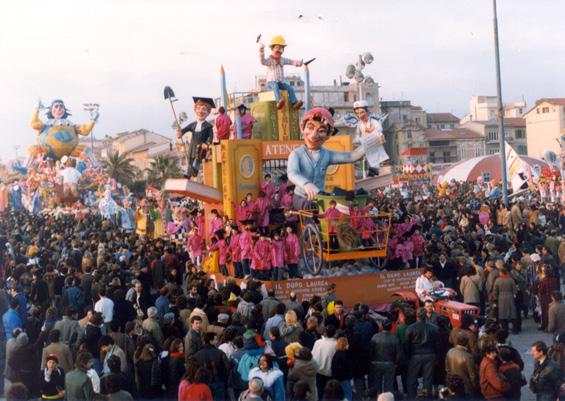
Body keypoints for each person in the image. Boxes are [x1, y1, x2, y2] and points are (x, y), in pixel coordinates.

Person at [287, 107, 367, 208]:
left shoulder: (327, 155)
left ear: (328, 135)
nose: (313, 136)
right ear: (302, 127)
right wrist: (306, 184)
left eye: (321, 131)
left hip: (321, 198)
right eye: (310, 128)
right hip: (301, 197)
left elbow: (352, 156)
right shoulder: (296, 154)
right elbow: (292, 173)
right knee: (308, 209)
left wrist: (372, 140)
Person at [259, 35, 303, 110]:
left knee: (290, 88)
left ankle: (294, 103)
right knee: (275, 86)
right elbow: (262, 61)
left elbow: (291, 61)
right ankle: (278, 101)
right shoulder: (270, 59)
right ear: (272, 48)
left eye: (282, 48)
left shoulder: (282, 59)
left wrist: (298, 63)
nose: (280, 50)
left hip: (280, 82)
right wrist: (261, 51)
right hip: (271, 82)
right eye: (278, 48)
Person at [404, 307, 440, 399]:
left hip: (415, 356)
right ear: (425, 316)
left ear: (417, 315)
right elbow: (437, 345)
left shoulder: (410, 328)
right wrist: (437, 357)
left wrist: (408, 357)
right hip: (430, 355)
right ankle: (425, 397)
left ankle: (412, 397)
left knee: (412, 379)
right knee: (427, 380)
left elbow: (406, 345)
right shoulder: (434, 328)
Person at [176, 97, 215, 177]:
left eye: (203, 109)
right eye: (198, 109)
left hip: (201, 148)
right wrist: (180, 133)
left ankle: (194, 170)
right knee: (190, 161)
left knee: (197, 160)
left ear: (208, 112)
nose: (200, 111)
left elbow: (210, 137)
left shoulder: (208, 126)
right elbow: (183, 131)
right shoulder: (193, 125)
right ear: (195, 110)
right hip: (192, 147)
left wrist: (207, 144)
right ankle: (187, 175)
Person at [369, 319, 399, 395]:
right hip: (390, 364)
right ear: (391, 327)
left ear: (382, 326)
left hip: (376, 364)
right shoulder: (395, 338)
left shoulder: (375, 337)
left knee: (376, 386)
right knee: (388, 387)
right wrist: (396, 364)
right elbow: (398, 354)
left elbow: (370, 351)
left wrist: (371, 361)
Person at [445, 332, 478, 397]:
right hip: (466, 389)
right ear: (466, 342)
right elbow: (473, 376)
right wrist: (475, 387)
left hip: (453, 387)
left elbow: (447, 370)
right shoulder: (468, 356)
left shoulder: (449, 352)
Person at [312, 325, 337, 399]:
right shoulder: (336, 344)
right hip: (329, 373)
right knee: (329, 394)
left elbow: (313, 355)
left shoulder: (318, 342)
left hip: (319, 371)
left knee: (320, 391)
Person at [330, 337, 353, 401]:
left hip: (338, 378)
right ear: (344, 344)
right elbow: (348, 367)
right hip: (344, 378)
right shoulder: (345, 355)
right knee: (348, 394)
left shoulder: (336, 354)